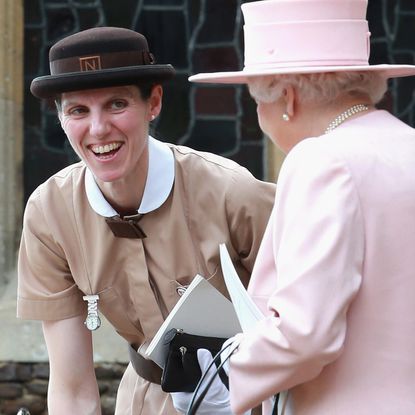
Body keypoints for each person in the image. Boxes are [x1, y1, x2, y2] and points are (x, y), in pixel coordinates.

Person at [16, 26, 276, 415]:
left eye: (117, 104)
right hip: (141, 401)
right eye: (78, 111)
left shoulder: (233, 192)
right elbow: (71, 389)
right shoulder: (49, 213)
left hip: (249, 399)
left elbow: (307, 326)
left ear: (153, 103)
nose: (99, 129)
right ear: (61, 117)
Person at [174, 0, 415, 414]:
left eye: (256, 100)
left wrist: (224, 371)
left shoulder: (321, 160)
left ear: (287, 97)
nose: (260, 117)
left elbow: (304, 332)